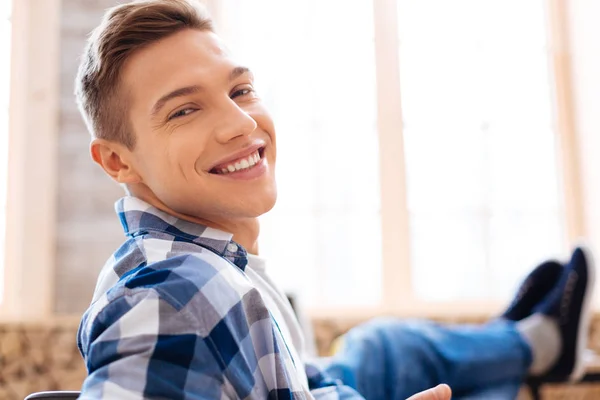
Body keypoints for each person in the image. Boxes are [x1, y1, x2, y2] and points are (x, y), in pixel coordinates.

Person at [74, 1, 595, 398]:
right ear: (118, 161)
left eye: (240, 91)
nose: (241, 123)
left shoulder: (213, 267)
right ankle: (534, 344)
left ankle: (526, 343)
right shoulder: (171, 295)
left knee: (386, 347)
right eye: (185, 111)